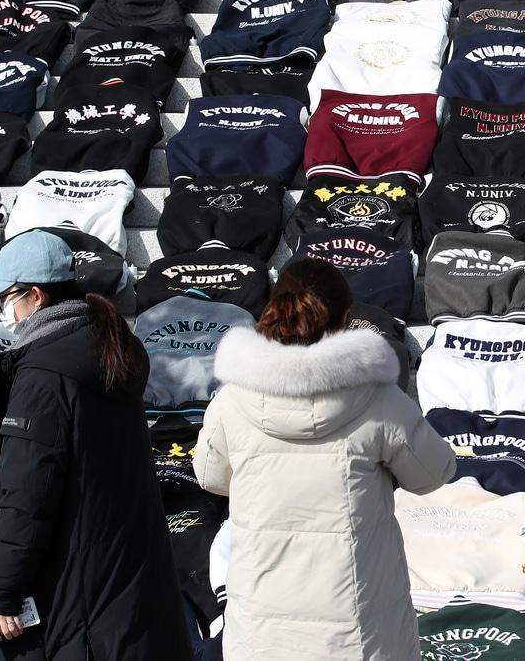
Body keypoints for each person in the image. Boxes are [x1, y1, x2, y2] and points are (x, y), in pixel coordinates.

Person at [193, 258, 456, 661]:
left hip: (263, 629)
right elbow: (436, 472)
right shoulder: (379, 399)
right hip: (357, 631)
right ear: (345, 318)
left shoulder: (232, 399)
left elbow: (210, 476)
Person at [0, 230, 190, 660]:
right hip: (116, 587)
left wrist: (1, 592)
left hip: (70, 598)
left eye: (5, 296)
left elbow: (26, 491)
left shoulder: (44, 373)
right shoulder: (103, 347)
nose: (1, 309)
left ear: (36, 296)